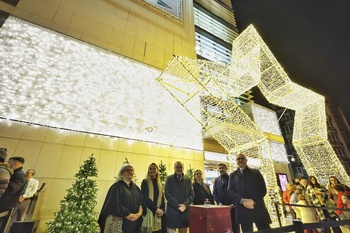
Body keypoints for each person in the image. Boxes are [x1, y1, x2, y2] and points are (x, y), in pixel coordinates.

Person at [228, 153, 271, 232]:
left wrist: (252, 200)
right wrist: (242, 200)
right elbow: (230, 191)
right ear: (236, 161)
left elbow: (262, 189)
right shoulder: (232, 175)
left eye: (242, 158)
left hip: (257, 206)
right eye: (238, 159)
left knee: (265, 229)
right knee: (247, 230)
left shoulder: (255, 172)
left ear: (246, 160)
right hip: (242, 209)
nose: (240, 160)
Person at [98, 164, 143, 233]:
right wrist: (128, 215)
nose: (130, 172)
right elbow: (114, 203)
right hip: (122, 222)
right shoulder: (116, 186)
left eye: (131, 170)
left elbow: (141, 202)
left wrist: (139, 214)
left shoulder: (136, 188)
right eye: (127, 170)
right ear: (122, 173)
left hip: (135, 222)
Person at [164, 161, 194, 233]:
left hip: (184, 212)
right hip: (172, 211)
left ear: (183, 168)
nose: (179, 169)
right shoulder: (169, 179)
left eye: (180, 167)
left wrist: (185, 205)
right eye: (177, 167)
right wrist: (178, 206)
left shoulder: (188, 180)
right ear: (174, 168)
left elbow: (192, 194)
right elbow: (167, 194)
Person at [213, 163, 239, 233]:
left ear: (226, 169)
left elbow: (236, 191)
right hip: (222, 208)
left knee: (234, 226)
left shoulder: (232, 178)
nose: (221, 170)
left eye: (223, 168)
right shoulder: (216, 180)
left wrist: (233, 204)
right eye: (220, 168)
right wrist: (219, 203)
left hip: (232, 207)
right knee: (224, 225)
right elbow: (215, 193)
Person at [141, 163, 165, 233]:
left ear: (157, 171)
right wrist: (155, 209)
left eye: (154, 168)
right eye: (150, 168)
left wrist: (162, 211)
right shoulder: (145, 182)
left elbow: (162, 199)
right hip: (149, 211)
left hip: (158, 214)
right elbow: (145, 197)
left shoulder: (159, 184)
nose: (152, 170)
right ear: (148, 171)